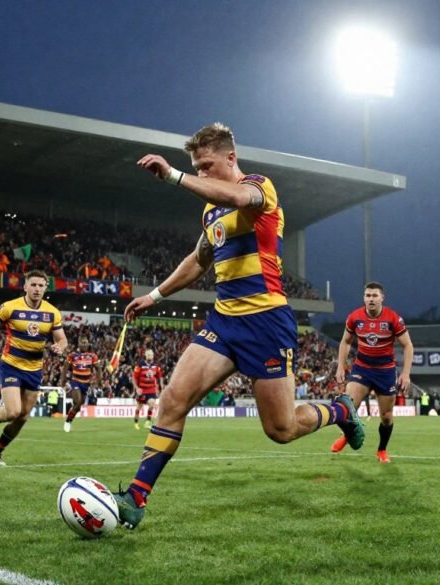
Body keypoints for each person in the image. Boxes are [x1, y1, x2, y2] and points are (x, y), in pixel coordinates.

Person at [113, 123, 363, 529]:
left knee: (281, 429)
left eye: (207, 165)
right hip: (224, 321)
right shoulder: (210, 210)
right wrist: (154, 296)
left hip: (266, 322)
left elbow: (237, 196)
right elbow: (198, 260)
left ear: (231, 158)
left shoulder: (260, 188)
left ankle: (341, 409)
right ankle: (135, 498)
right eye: (197, 167)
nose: (202, 172)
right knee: (172, 400)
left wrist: (174, 175)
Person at [0, 270, 67, 465]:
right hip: (11, 365)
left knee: (22, 417)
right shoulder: (11, 307)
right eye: (33, 285)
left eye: (41, 285)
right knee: (13, 412)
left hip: (34, 369)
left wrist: (60, 347)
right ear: (25, 286)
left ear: (45, 288)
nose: (37, 289)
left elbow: (62, 339)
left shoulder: (52, 312)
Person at [329, 282, 414, 463]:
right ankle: (348, 436)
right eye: (368, 295)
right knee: (348, 408)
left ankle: (381, 450)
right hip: (362, 368)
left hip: (385, 372)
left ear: (382, 298)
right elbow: (345, 342)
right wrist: (340, 366)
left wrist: (406, 373)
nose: (371, 299)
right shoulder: (355, 317)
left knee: (386, 417)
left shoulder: (393, 318)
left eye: (375, 295)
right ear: (364, 298)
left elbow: (408, 345)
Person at [62, 336, 100, 432]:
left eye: (85, 342)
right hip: (75, 381)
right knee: (78, 402)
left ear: (88, 344)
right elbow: (65, 368)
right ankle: (68, 421)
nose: (84, 344)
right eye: (82, 343)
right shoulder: (72, 355)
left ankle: (70, 416)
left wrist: (97, 381)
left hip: (86, 384)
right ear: (79, 344)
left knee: (78, 406)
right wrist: (63, 381)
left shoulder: (93, 356)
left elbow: (98, 369)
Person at [132, 349, 163, 430]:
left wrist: (161, 386)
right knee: (139, 407)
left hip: (151, 389)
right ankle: (136, 422)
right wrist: (137, 388)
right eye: (148, 355)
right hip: (141, 390)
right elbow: (134, 377)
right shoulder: (140, 365)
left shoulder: (156, 365)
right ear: (145, 355)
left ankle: (147, 422)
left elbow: (160, 376)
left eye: (151, 355)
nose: (150, 356)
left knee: (152, 404)